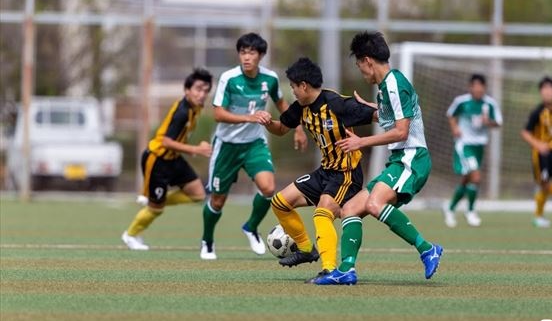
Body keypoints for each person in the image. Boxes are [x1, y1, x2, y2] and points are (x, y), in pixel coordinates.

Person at [314, 31, 443, 286]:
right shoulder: (386, 88)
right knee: (348, 209)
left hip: (411, 158)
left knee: (374, 204)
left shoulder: (394, 83)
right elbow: (389, 118)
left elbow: (401, 131)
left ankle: (427, 249)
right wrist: (370, 108)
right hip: (399, 160)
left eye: (360, 65)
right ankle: (347, 270)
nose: (361, 72)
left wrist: (361, 141)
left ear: (367, 61)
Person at [255, 57, 376, 283]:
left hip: (346, 173)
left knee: (322, 214)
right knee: (279, 203)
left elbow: (378, 116)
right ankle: (305, 249)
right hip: (325, 171)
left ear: (304, 85)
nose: (292, 91)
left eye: (293, 87)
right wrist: (268, 122)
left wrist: (372, 131)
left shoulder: (336, 103)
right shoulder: (300, 108)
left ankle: (330, 270)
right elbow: (281, 129)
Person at [201, 33, 307, 260]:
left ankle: (250, 227)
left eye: (251, 53)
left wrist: (297, 128)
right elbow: (218, 114)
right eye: (243, 52)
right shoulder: (229, 78)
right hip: (227, 146)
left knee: (268, 188)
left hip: (254, 144)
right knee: (218, 200)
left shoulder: (270, 79)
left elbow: (282, 104)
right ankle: (207, 241)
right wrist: (250, 117)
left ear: (260, 55)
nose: (246, 57)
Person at [122, 68, 213, 250]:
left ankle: (156, 199)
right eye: (198, 89)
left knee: (198, 195)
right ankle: (130, 235)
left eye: (206, 90)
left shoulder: (195, 108)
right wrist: (195, 149)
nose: (202, 94)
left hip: (174, 159)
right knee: (156, 210)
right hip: (158, 160)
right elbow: (165, 141)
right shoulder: (182, 112)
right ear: (187, 90)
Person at [443, 73, 502, 228]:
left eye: (480, 86)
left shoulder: (489, 104)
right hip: (464, 144)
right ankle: (470, 211)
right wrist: (455, 128)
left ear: (484, 88)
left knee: (466, 179)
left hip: (479, 146)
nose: (477, 89)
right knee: (475, 176)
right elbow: (450, 115)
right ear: (470, 87)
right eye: (474, 86)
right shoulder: (461, 101)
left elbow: (498, 123)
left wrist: (488, 122)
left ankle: (450, 209)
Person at [520, 76, 552, 228]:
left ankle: (540, 196)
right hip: (541, 155)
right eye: (545, 89)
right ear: (541, 92)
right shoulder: (537, 112)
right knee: (545, 184)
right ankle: (538, 216)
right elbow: (525, 133)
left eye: (550, 89)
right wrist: (538, 144)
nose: (548, 92)